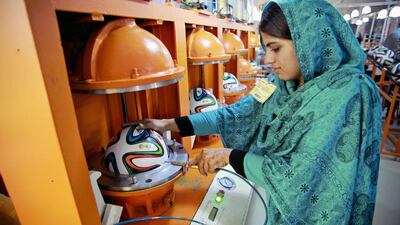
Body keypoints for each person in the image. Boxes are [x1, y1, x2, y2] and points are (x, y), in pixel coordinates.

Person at [140, 0, 382, 224]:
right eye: (267, 48)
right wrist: (170, 125)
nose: (268, 59)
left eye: (276, 48)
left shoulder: (348, 94)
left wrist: (228, 156)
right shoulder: (278, 83)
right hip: (280, 206)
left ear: (307, 41)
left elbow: (299, 178)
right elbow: (236, 114)